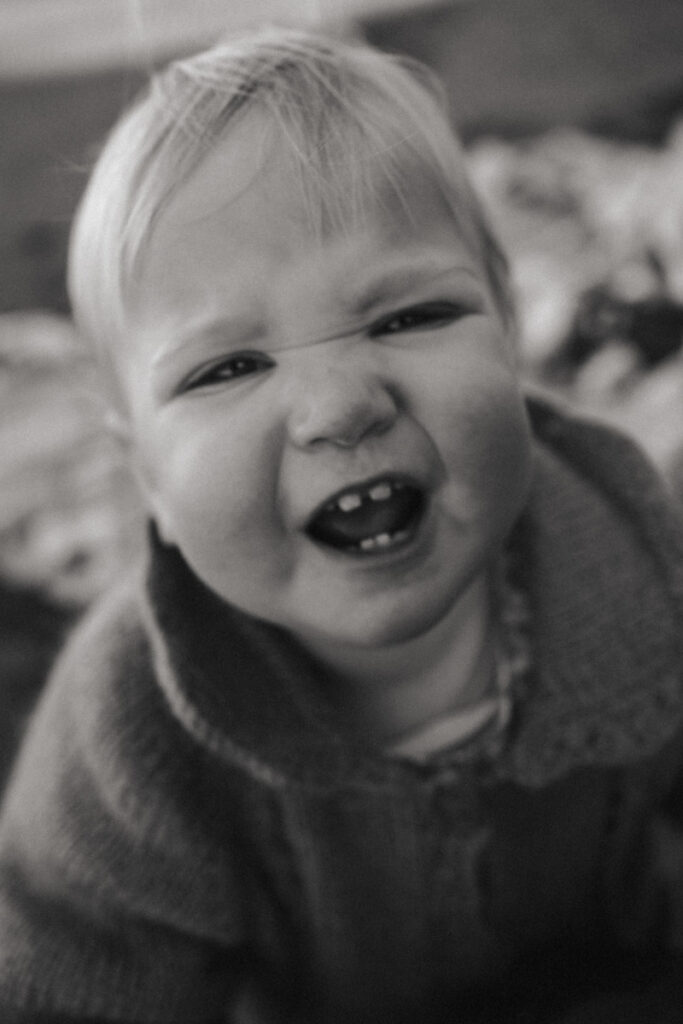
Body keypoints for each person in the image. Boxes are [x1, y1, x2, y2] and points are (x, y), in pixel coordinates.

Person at [1, 27, 683, 1024]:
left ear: (508, 322)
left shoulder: (635, 556)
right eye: (225, 368)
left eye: (407, 316)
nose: (337, 406)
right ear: (143, 473)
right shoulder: (126, 737)